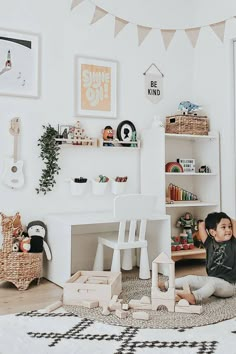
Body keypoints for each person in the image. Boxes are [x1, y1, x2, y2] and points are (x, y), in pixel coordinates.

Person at [174, 212, 236, 304]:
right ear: (212, 232)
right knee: (190, 278)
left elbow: (234, 222)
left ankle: (194, 297)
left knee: (213, 284)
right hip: (211, 279)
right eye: (223, 227)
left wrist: (225, 217)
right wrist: (210, 220)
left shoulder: (233, 243)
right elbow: (201, 226)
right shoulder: (209, 243)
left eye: (229, 227)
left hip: (228, 286)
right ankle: (167, 285)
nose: (228, 230)